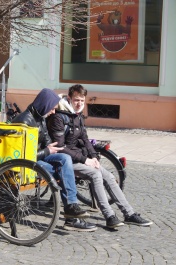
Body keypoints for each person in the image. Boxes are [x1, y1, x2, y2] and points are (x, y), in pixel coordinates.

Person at [48, 84, 153, 229]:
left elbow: (85, 139)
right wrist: (86, 160)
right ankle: (109, 216)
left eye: (82, 101)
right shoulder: (59, 117)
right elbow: (60, 148)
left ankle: (129, 214)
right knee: (95, 175)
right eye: (77, 100)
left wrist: (94, 157)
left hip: (80, 158)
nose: (80, 104)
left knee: (109, 176)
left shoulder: (77, 115)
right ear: (69, 98)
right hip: (65, 161)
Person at [12, 88, 97, 232]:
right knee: (64, 169)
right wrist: (47, 150)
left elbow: (46, 140)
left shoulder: (40, 117)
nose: (53, 112)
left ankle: (71, 208)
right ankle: (71, 216)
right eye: (51, 108)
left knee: (65, 158)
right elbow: (22, 156)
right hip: (27, 163)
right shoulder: (24, 122)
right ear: (44, 105)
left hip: (40, 157)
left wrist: (51, 146)